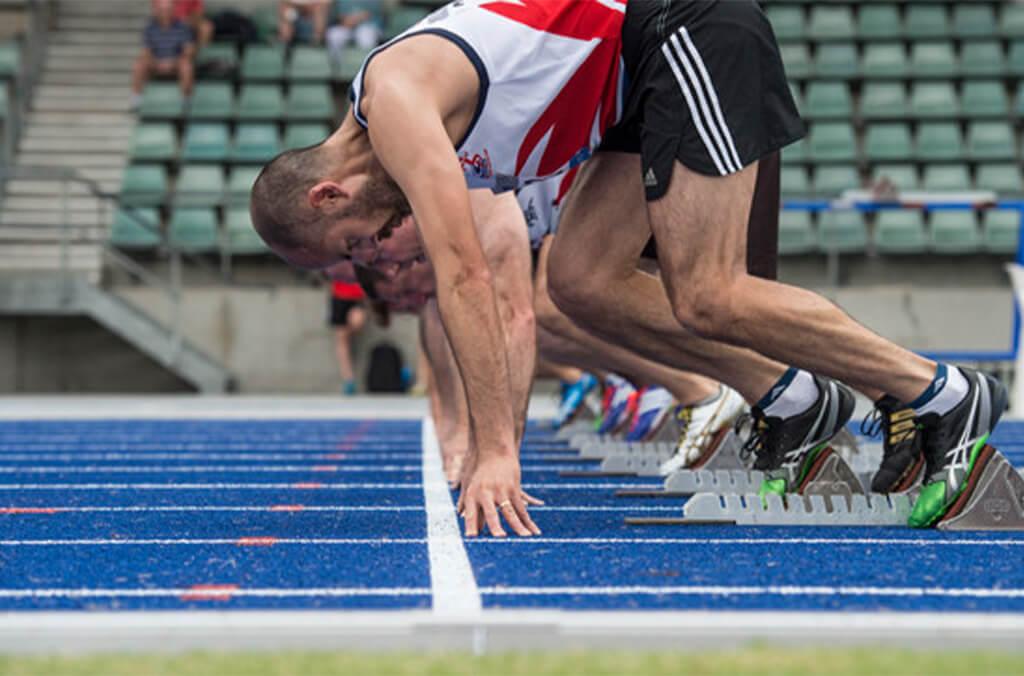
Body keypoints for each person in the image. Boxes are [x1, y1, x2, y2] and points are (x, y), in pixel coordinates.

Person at [250, 0, 1004, 536]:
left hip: (681, 30)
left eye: (352, 243)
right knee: (578, 282)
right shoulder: (409, 131)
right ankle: (791, 395)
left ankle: (941, 392)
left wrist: (496, 455)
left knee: (707, 293)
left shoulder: (399, 103)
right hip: (629, 92)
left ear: (328, 193)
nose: (373, 251)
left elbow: (468, 279)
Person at [132, 0, 196, 110]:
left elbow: (188, 50)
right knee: (139, 65)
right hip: (156, 62)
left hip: (176, 63)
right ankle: (136, 99)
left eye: (168, 9)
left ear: (173, 10)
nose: (165, 12)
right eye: (162, 10)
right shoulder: (150, 28)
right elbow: (146, 51)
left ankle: (186, 100)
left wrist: (173, 62)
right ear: (156, 11)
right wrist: (156, 62)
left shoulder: (183, 27)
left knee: (187, 66)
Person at [326, 262, 367, 395]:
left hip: (357, 297)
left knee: (357, 323)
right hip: (339, 296)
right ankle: (348, 379)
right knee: (341, 340)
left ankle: (349, 380)